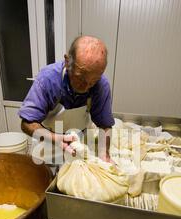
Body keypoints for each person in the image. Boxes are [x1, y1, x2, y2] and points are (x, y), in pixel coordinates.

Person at [18, 35, 114, 163]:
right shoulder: (48, 79)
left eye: (93, 82)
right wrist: (56, 139)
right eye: (80, 78)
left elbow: (105, 126)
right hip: (47, 143)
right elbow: (27, 124)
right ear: (68, 61)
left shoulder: (102, 85)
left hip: (79, 146)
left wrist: (104, 155)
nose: (86, 87)